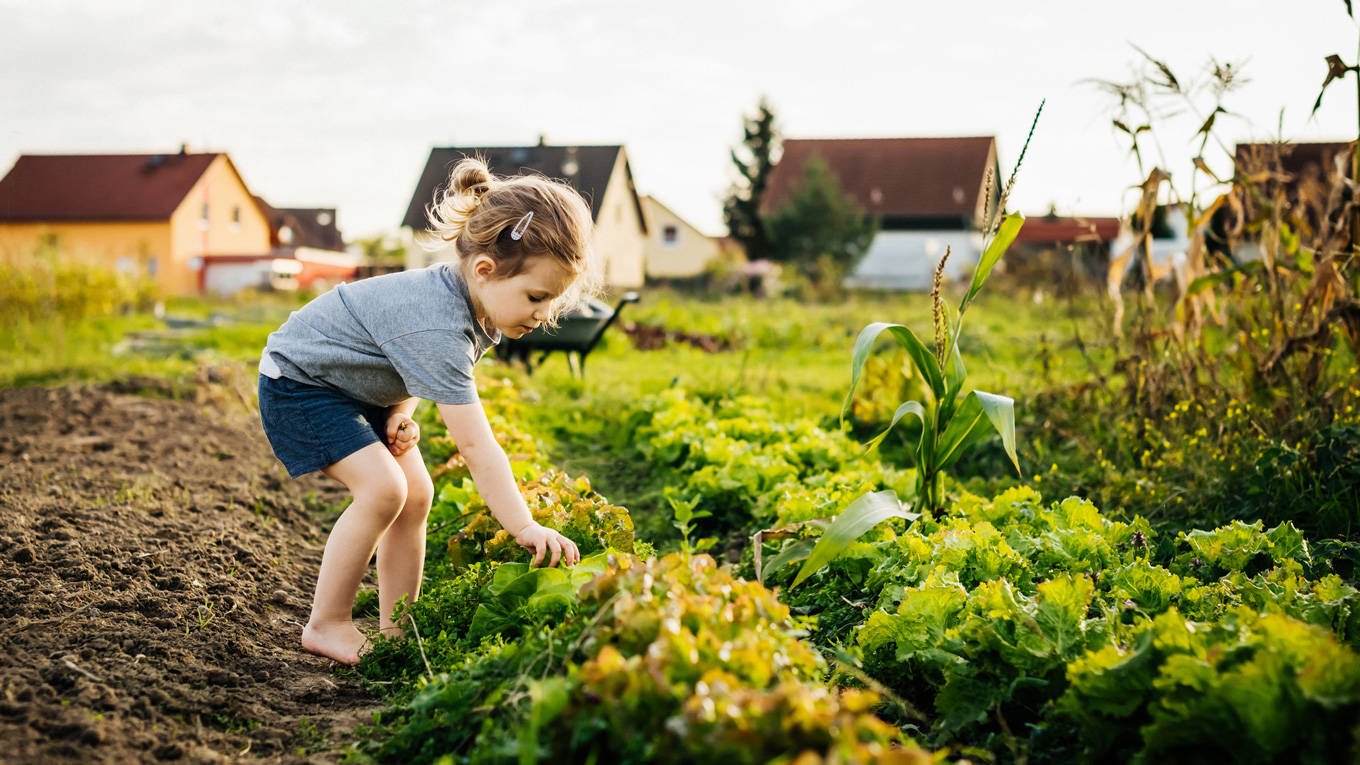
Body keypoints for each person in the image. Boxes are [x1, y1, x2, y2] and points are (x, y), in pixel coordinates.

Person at [256, 157, 592, 665]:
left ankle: (397, 628)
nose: (545, 315)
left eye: (554, 301)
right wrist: (524, 526)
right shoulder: (438, 321)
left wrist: (399, 409)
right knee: (384, 489)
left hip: (356, 387)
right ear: (484, 270)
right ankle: (326, 624)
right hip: (302, 384)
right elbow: (477, 448)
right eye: (537, 296)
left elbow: (398, 352)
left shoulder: (468, 302)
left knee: (416, 495)